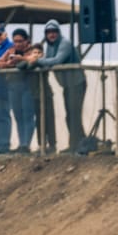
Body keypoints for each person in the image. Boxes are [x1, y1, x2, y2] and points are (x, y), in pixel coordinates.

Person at [39, 20, 89, 154]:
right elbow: (48, 62)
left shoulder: (64, 43)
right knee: (70, 115)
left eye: (54, 31)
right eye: (48, 32)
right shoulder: (50, 46)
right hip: (67, 85)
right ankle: (80, 143)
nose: (51, 35)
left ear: (58, 32)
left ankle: (76, 145)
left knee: (74, 114)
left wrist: (37, 61)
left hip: (77, 83)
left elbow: (56, 60)